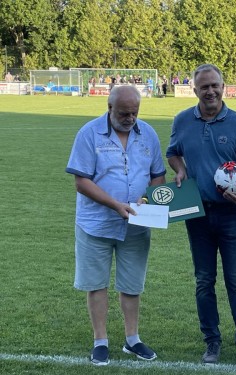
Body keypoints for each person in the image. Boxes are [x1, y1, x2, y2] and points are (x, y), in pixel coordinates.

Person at [166, 64, 236, 375]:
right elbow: (173, 152)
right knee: (204, 281)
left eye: (215, 86)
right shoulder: (183, 120)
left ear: (224, 87)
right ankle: (212, 341)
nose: (210, 91)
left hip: (233, 213)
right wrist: (180, 169)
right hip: (197, 213)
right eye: (204, 86)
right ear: (194, 89)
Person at [66, 85, 166, 366]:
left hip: (136, 225)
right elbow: (81, 181)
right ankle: (100, 341)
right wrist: (115, 205)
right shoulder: (88, 133)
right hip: (95, 223)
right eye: (124, 113)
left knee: (132, 284)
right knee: (96, 284)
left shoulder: (148, 133)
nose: (130, 118)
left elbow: (158, 175)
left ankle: (132, 339)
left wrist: (145, 200)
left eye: (134, 112)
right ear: (109, 108)